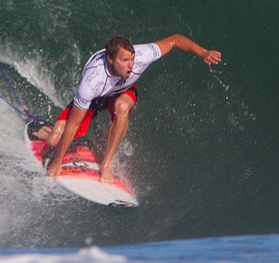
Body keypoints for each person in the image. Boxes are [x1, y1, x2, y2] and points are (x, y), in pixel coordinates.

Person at [36, 34, 222, 183]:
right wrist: (57, 162)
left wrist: (203, 52)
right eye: (125, 60)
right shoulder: (92, 81)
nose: (131, 65)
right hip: (96, 98)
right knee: (54, 141)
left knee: (122, 106)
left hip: (123, 91)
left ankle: (106, 164)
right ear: (110, 59)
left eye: (131, 59)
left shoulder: (142, 56)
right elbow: (74, 123)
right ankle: (46, 133)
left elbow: (175, 40)